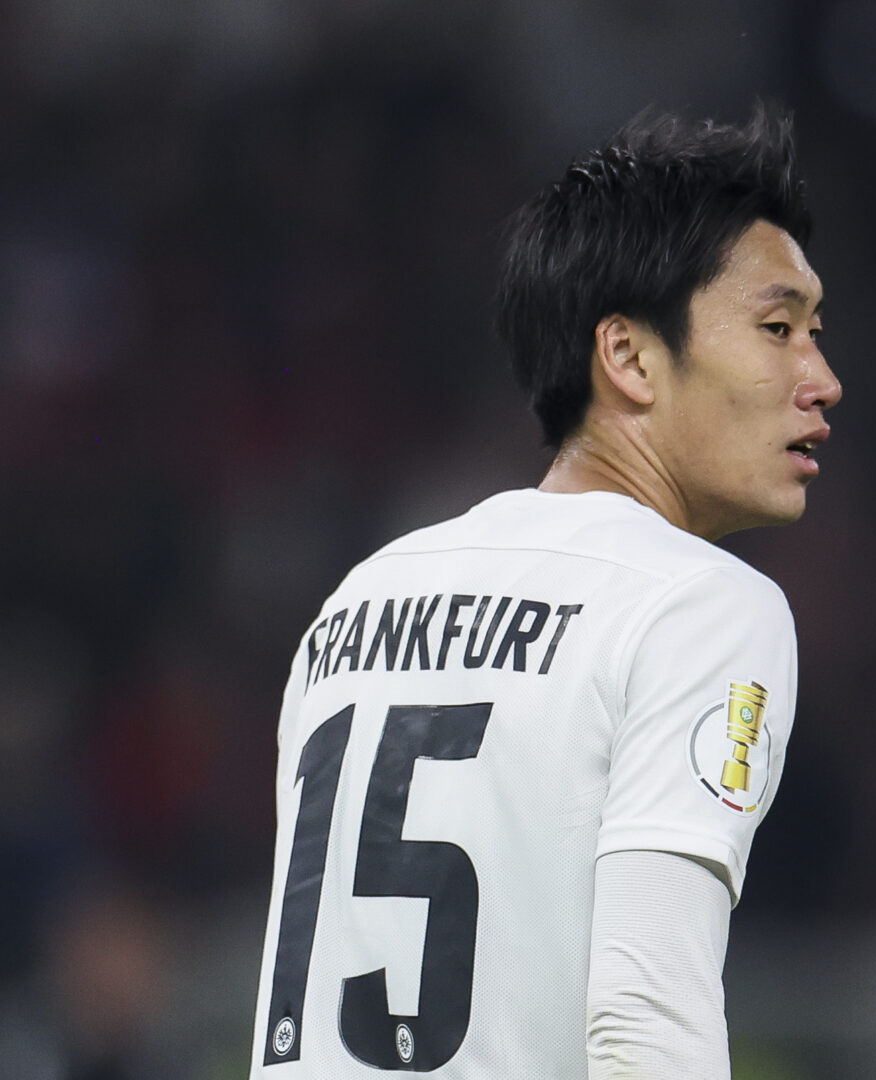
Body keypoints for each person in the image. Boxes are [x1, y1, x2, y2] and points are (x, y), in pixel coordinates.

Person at [247, 106, 840, 1079]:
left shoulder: (358, 602)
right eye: (777, 329)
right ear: (630, 358)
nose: (822, 378)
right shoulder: (700, 606)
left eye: (815, 333)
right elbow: (648, 1017)